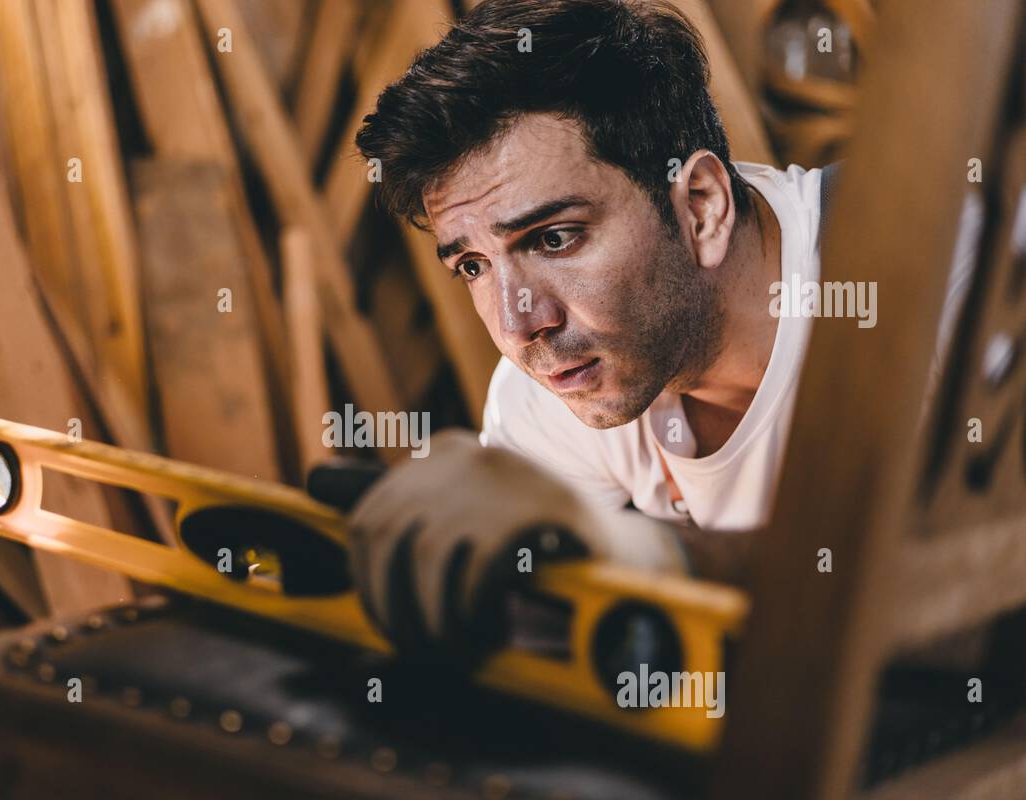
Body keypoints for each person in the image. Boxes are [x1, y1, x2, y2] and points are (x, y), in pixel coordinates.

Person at [342, 0, 978, 653]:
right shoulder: (555, 380)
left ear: (700, 208)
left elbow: (968, 588)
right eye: (473, 266)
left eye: (555, 237)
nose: (519, 321)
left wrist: (639, 551)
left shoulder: (941, 269)